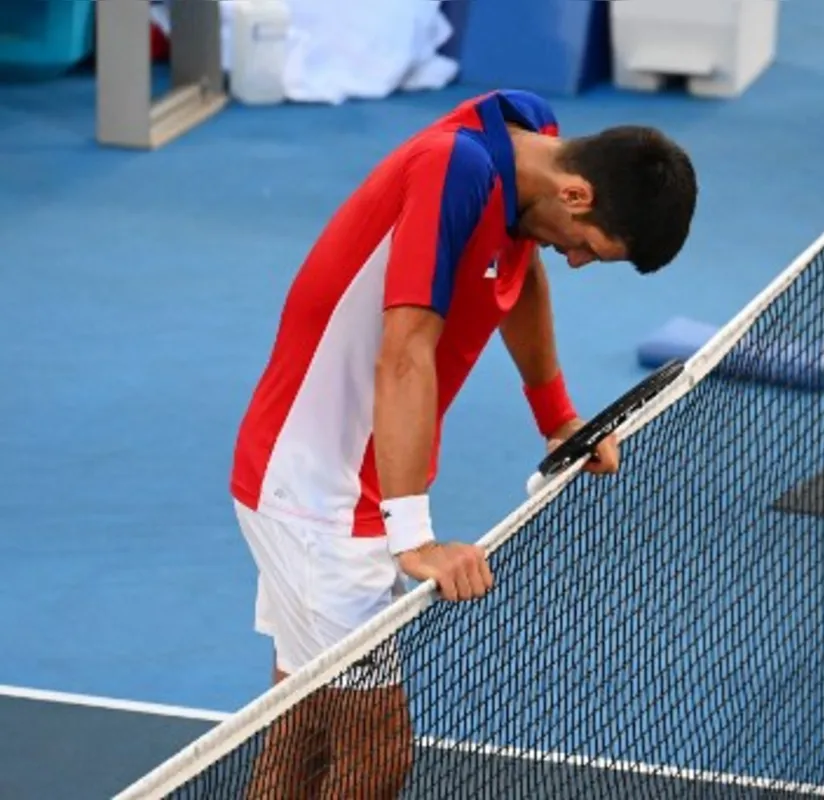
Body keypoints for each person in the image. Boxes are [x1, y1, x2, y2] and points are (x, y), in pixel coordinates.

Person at [227, 89, 698, 797]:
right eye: (588, 247)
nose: (574, 262)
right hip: (316, 499)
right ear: (575, 192)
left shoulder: (528, 145)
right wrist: (412, 537)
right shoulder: (454, 169)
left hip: (332, 486)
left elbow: (523, 272)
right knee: (375, 754)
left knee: (305, 732)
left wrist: (558, 419)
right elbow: (405, 353)